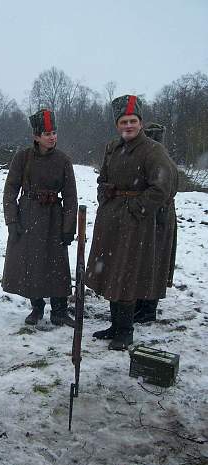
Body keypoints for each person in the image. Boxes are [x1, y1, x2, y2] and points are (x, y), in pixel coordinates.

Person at [86, 95, 178, 350]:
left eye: (133, 121)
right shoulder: (112, 147)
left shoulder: (153, 150)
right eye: (124, 121)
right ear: (117, 124)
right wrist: (104, 196)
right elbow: (102, 178)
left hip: (136, 224)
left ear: (140, 122)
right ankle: (115, 325)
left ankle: (125, 332)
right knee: (111, 272)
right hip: (110, 220)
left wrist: (136, 208)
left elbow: (161, 187)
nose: (128, 126)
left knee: (126, 274)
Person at [2, 109, 77, 327]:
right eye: (46, 133)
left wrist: (68, 227)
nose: (52, 137)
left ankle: (60, 311)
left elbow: (71, 197)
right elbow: (10, 191)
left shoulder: (63, 160)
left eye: (54, 132)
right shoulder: (22, 158)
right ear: (36, 136)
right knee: (32, 263)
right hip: (29, 216)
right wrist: (12, 220)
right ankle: (37, 308)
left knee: (57, 263)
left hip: (55, 217)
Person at [133, 122, 177, 323]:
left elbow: (163, 190)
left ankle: (148, 309)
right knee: (147, 261)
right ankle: (142, 305)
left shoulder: (161, 159)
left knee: (155, 261)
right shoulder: (158, 157)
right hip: (153, 215)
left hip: (160, 216)